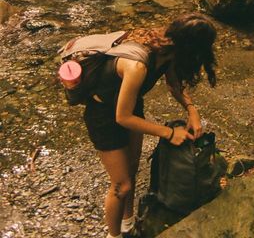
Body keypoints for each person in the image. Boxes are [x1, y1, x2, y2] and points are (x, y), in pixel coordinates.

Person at [82, 13, 217, 238]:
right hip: (103, 115)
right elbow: (122, 118)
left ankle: (127, 224)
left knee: (132, 169)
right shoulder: (137, 66)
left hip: (130, 105)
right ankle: (113, 236)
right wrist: (168, 133)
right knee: (121, 185)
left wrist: (192, 110)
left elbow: (174, 83)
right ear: (189, 48)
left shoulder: (169, 49)